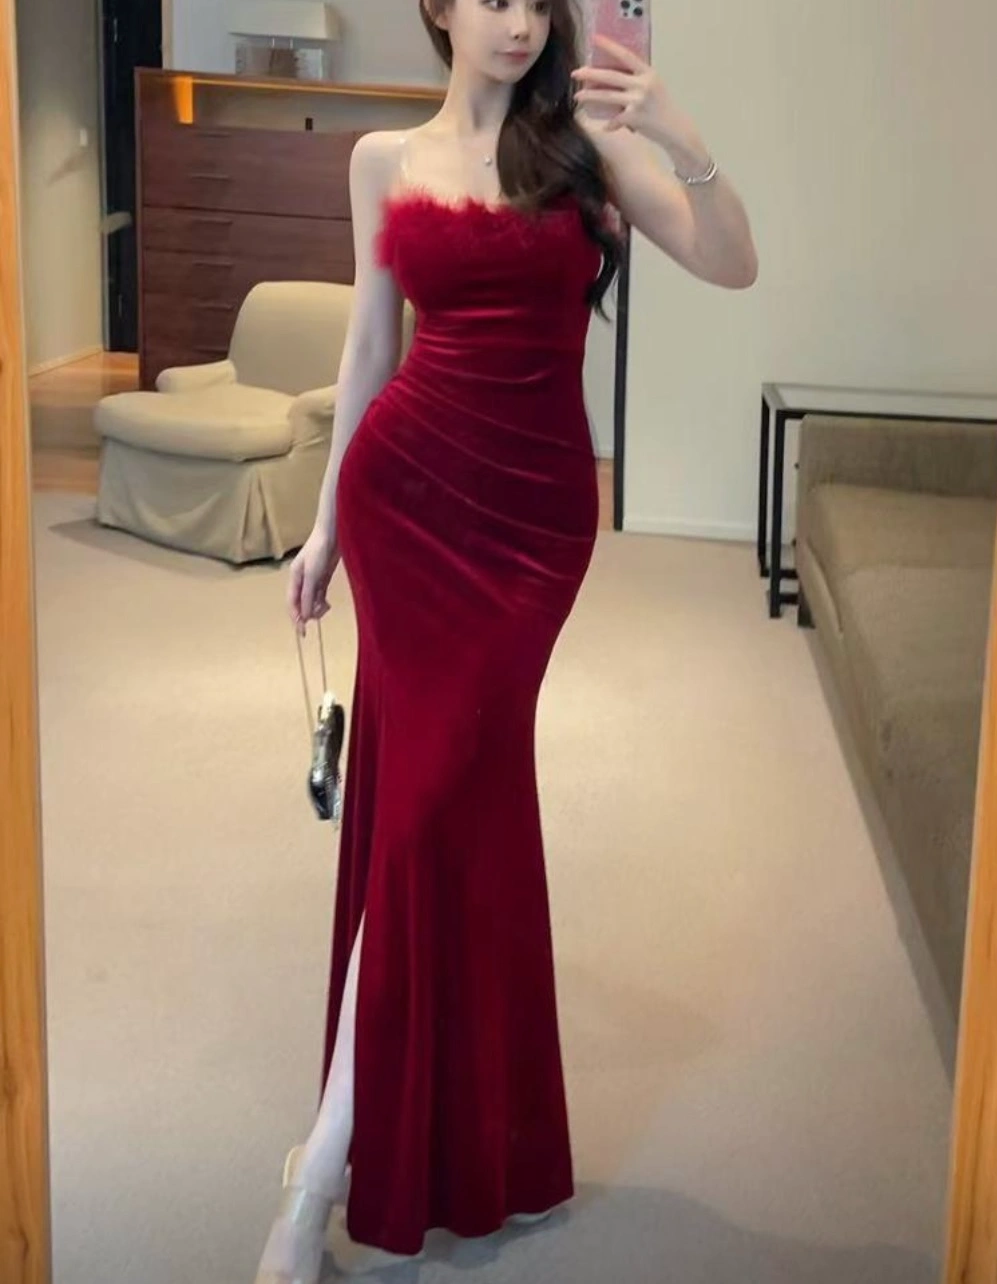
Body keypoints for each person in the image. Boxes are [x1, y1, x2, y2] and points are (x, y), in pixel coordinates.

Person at [256, 1, 757, 1279]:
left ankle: (334, 1161)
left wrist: (679, 131)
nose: (521, 21)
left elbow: (732, 263)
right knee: (431, 813)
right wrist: (325, 530)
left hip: (531, 525)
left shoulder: (586, 150)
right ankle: (338, 1163)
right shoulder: (384, 160)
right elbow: (371, 347)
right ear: (437, 6)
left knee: (433, 802)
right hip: (405, 501)